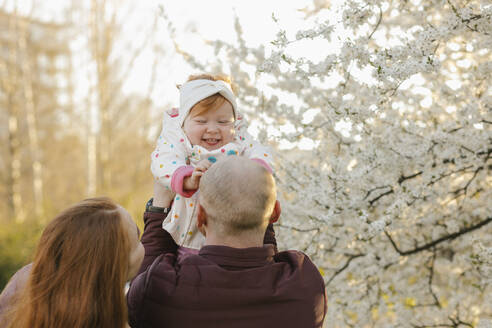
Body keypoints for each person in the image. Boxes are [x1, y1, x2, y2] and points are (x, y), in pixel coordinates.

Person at [128, 157, 326, 328]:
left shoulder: (160, 287)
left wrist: (158, 211)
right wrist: (257, 204)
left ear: (200, 217)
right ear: (275, 213)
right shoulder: (304, 285)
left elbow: (136, 296)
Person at [150, 73, 273, 251]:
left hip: (233, 232)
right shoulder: (178, 138)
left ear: (234, 122)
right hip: (187, 234)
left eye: (223, 121)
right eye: (201, 121)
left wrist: (256, 173)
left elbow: (260, 151)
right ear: (184, 122)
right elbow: (163, 161)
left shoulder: (238, 137)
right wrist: (188, 178)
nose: (213, 129)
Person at [0, 197, 144, 328]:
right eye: (137, 235)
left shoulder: (28, 285)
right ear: (115, 269)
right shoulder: (105, 318)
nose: (142, 238)